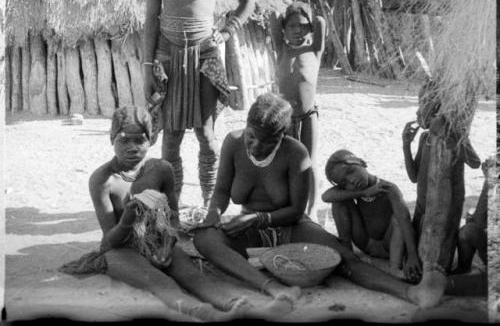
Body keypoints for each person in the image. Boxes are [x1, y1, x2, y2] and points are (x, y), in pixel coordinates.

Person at [193, 93, 427, 307]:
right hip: (251, 230)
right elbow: (222, 191)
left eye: (266, 142)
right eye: (252, 137)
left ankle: (408, 292)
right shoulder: (232, 143)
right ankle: (271, 287)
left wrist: (258, 218)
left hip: (292, 229)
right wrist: (214, 213)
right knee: (204, 239)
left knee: (344, 258)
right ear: (246, 126)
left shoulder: (296, 153)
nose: (255, 147)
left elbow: (296, 211)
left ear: (281, 137)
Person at [61, 106, 284, 322]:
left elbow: (173, 218)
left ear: (150, 140)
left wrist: (167, 245)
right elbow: (110, 241)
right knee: (157, 281)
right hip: (122, 249)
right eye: (123, 139)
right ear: (112, 139)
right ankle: (202, 312)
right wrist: (128, 220)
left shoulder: (161, 169)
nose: (132, 147)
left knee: (193, 275)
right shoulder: (103, 181)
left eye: (140, 139)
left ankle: (237, 305)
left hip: (158, 240)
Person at [143, 0, 255, 206]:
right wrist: (146, 66)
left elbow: (248, 2)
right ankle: (173, 204)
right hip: (168, 56)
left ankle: (210, 202)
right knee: (172, 136)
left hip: (205, 54)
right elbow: (150, 19)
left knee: (206, 133)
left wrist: (228, 30)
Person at [401, 78, 482, 307]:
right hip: (423, 206)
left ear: (438, 109)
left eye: (423, 106)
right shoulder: (426, 138)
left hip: (445, 209)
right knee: (415, 259)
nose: (418, 112)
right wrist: (406, 145)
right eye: (418, 105)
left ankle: (460, 269)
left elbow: (475, 162)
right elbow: (415, 176)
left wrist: (449, 136)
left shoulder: (450, 131)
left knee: (438, 255)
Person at [322, 149, 421, 282]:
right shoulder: (358, 191)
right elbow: (326, 196)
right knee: (339, 203)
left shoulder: (388, 188)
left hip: (389, 246)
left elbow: (405, 221)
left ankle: (394, 268)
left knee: (398, 218)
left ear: (362, 163)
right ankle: (348, 256)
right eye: (344, 183)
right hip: (366, 243)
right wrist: (364, 193)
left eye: (351, 171)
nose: (351, 181)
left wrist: (412, 255)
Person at [270, 2, 326, 219]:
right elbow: (274, 17)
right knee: (285, 162)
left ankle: (312, 208)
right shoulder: (281, 49)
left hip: (308, 115)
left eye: (302, 26)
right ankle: (290, 204)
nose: (297, 30)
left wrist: (311, 20)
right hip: (284, 117)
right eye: (291, 26)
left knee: (309, 161)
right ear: (284, 28)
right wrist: (284, 15)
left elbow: (320, 21)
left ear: (310, 28)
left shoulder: (314, 51)